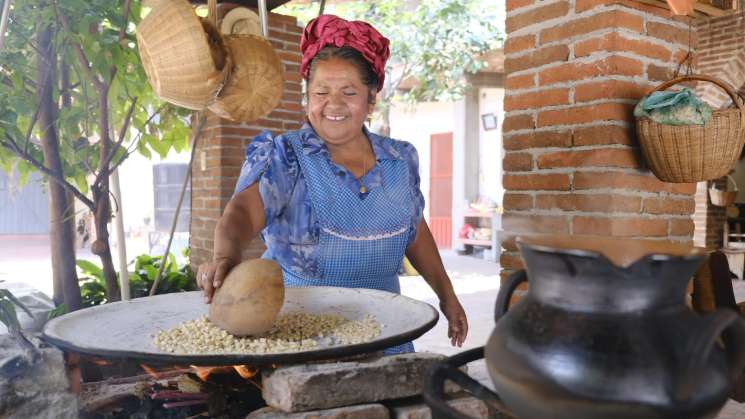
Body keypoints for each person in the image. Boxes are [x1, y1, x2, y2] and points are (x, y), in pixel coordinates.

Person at [197, 14, 468, 353]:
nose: (334, 104)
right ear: (308, 97)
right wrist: (225, 254)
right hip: (302, 336)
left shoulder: (399, 161)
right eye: (321, 91)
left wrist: (448, 296)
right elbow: (241, 212)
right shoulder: (286, 157)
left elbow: (416, 232)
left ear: (371, 99)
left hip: (387, 333)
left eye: (349, 92)